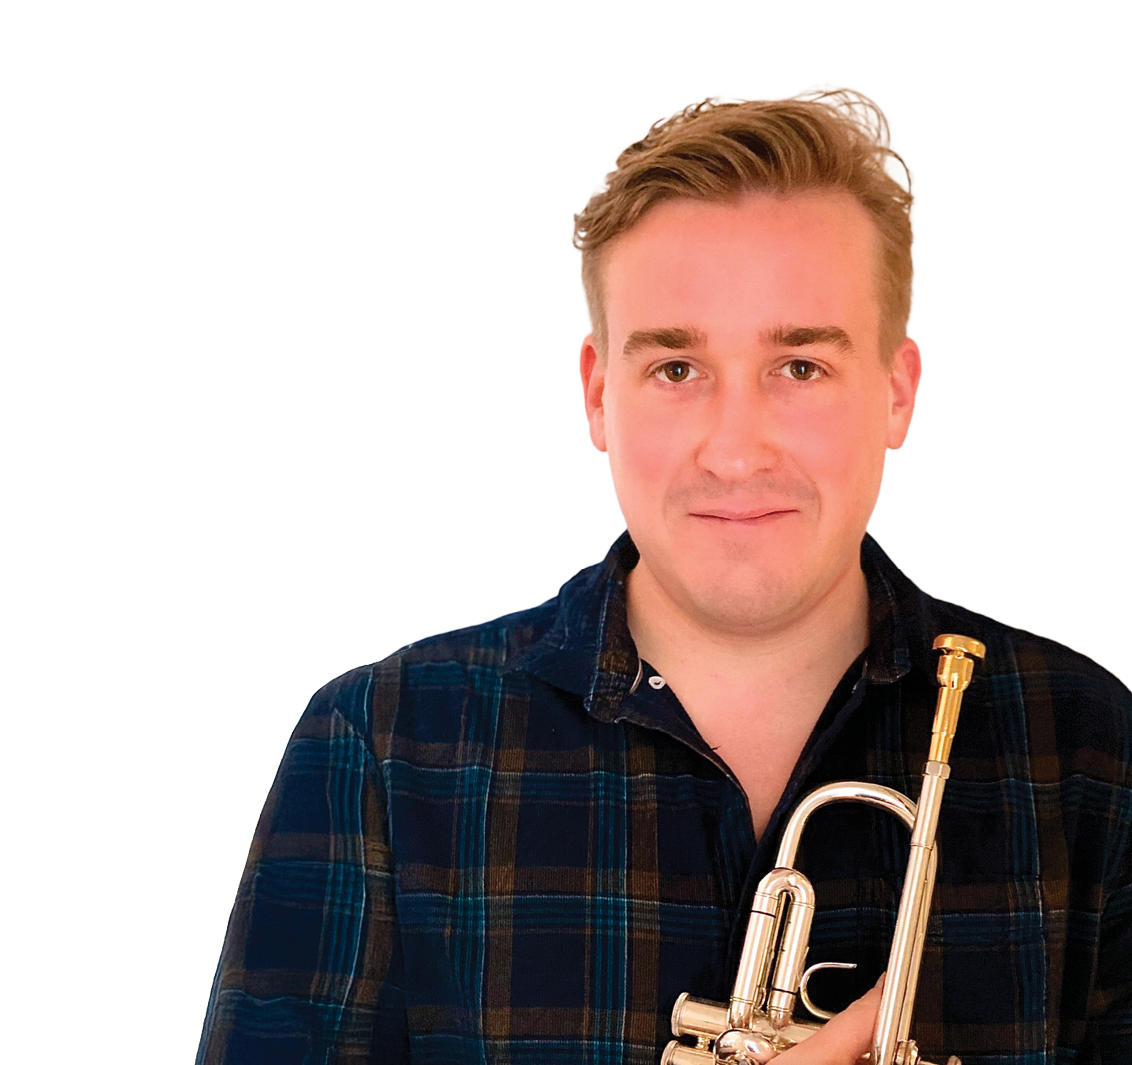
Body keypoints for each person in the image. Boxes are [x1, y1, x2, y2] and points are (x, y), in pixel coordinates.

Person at [195, 87, 1131, 1064]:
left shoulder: (1089, 749)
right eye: (676, 369)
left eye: (799, 366)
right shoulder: (376, 750)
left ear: (895, 395)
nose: (734, 452)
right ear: (600, 397)